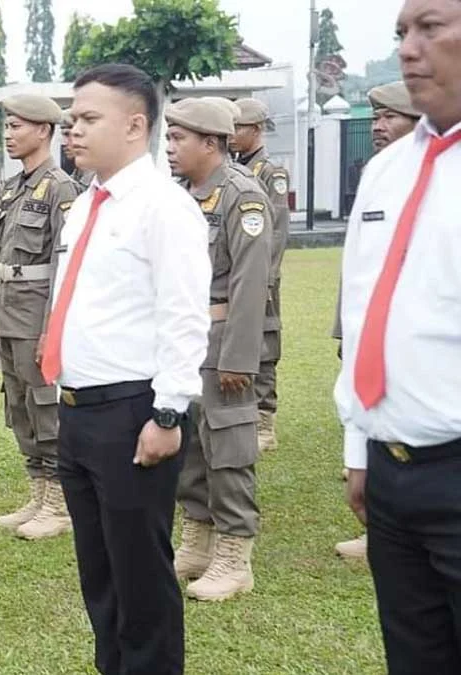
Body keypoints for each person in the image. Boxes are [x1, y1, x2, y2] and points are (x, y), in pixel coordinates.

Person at [43, 64, 208, 674]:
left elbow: (184, 315)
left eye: (88, 120)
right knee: (101, 575)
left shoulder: (164, 207)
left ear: (136, 125)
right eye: (71, 120)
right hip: (79, 410)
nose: (73, 132)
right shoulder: (87, 204)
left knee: (141, 577)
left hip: (133, 413)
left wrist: (167, 412)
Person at [337, 1, 461, 671]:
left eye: (430, 28)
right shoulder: (387, 171)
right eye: (400, 34)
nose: (408, 49)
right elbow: (361, 312)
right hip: (392, 472)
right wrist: (361, 442)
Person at [167, 98, 272, 603]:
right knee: (190, 446)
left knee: (228, 449)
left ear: (211, 143)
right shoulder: (180, 194)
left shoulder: (241, 197)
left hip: (222, 337)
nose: (169, 148)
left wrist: (238, 357)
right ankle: (198, 538)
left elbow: (253, 283)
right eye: (168, 137)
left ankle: (234, 555)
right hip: (184, 340)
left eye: (178, 138)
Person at [332, 79, 419, 562]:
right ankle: (381, 529)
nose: (379, 127)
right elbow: (362, 269)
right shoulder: (378, 174)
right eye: (377, 117)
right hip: (375, 341)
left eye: (390, 117)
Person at [0, 94, 81, 542]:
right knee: (20, 406)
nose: (9, 135)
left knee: (46, 408)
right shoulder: (14, 187)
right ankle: (38, 492)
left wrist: (51, 327)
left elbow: (63, 267)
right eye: (7, 126)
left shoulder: (60, 187)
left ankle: (59, 501)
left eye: (17, 126)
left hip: (36, 314)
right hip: (8, 310)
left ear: (44, 131)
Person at [231, 98, 290, 453]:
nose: (232, 134)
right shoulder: (236, 169)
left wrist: (265, 278)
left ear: (256, 130)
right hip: (239, 274)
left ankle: (265, 419)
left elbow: (278, 231)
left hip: (262, 275)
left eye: (239, 128)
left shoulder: (271, 172)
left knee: (264, 344)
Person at [369, 81, 420, 152]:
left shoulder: (437, 161)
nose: (377, 127)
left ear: (418, 123)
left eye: (389, 116)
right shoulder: (377, 162)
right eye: (375, 118)